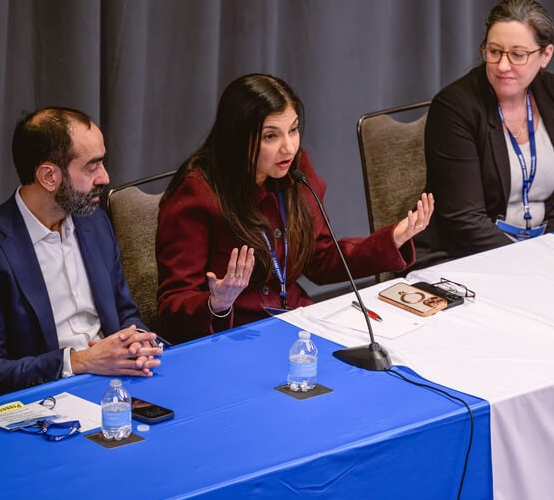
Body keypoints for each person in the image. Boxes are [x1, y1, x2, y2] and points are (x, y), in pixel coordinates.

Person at [155, 74, 433, 344]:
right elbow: (172, 304)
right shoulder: (199, 192)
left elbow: (321, 260)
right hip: (234, 337)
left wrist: (392, 238)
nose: (288, 147)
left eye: (293, 129)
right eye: (270, 136)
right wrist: (217, 302)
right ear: (238, 137)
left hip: (297, 323)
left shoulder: (296, 171)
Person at [0, 108, 163, 403]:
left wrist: (135, 342)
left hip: (118, 383)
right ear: (49, 176)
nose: (105, 177)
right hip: (45, 400)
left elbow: (125, 312)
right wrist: (79, 361)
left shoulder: (94, 222)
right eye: (92, 167)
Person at [421, 0, 554, 258]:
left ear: (545, 55)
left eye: (518, 55)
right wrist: (528, 263)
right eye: (494, 51)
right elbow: (464, 219)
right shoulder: (455, 107)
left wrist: (552, 256)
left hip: (547, 251)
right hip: (468, 255)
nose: (503, 66)